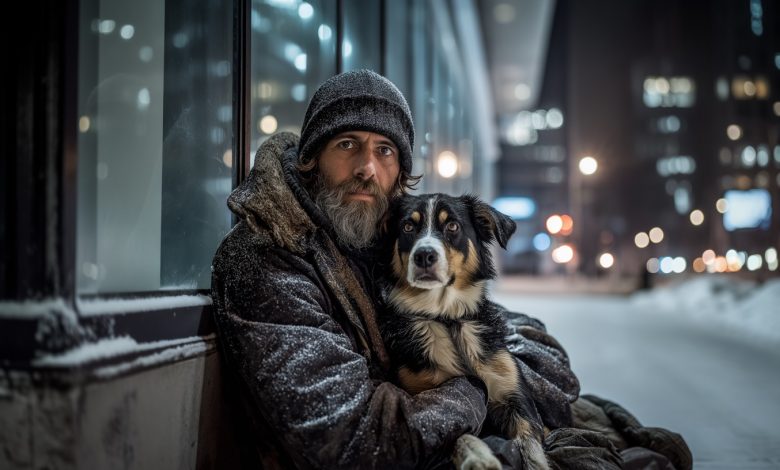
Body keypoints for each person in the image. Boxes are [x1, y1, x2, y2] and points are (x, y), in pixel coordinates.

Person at [211, 70, 691, 469]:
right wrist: (477, 387)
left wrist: (497, 374)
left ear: (401, 171)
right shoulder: (266, 257)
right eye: (347, 144)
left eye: (384, 151)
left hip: (444, 435)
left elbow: (523, 342)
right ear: (310, 158)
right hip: (409, 455)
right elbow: (348, 437)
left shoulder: (379, 239)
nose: (367, 168)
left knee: (642, 449)